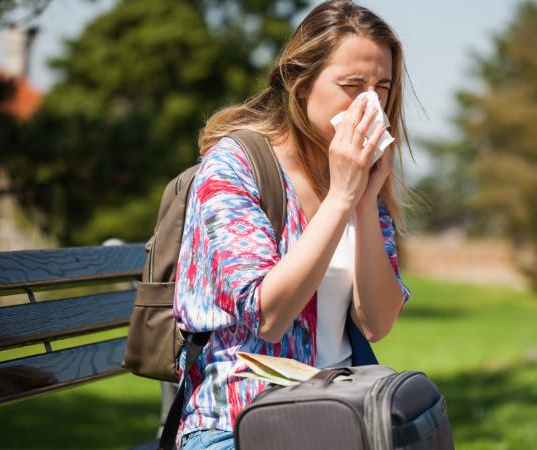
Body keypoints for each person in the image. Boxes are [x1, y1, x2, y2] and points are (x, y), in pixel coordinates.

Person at [173, 1, 415, 448]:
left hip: (341, 411)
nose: (370, 103)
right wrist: (341, 197)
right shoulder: (234, 166)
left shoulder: (354, 174)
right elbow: (271, 316)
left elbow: (377, 323)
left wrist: (363, 201)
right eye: (351, 85)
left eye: (382, 87)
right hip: (239, 419)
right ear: (299, 84)